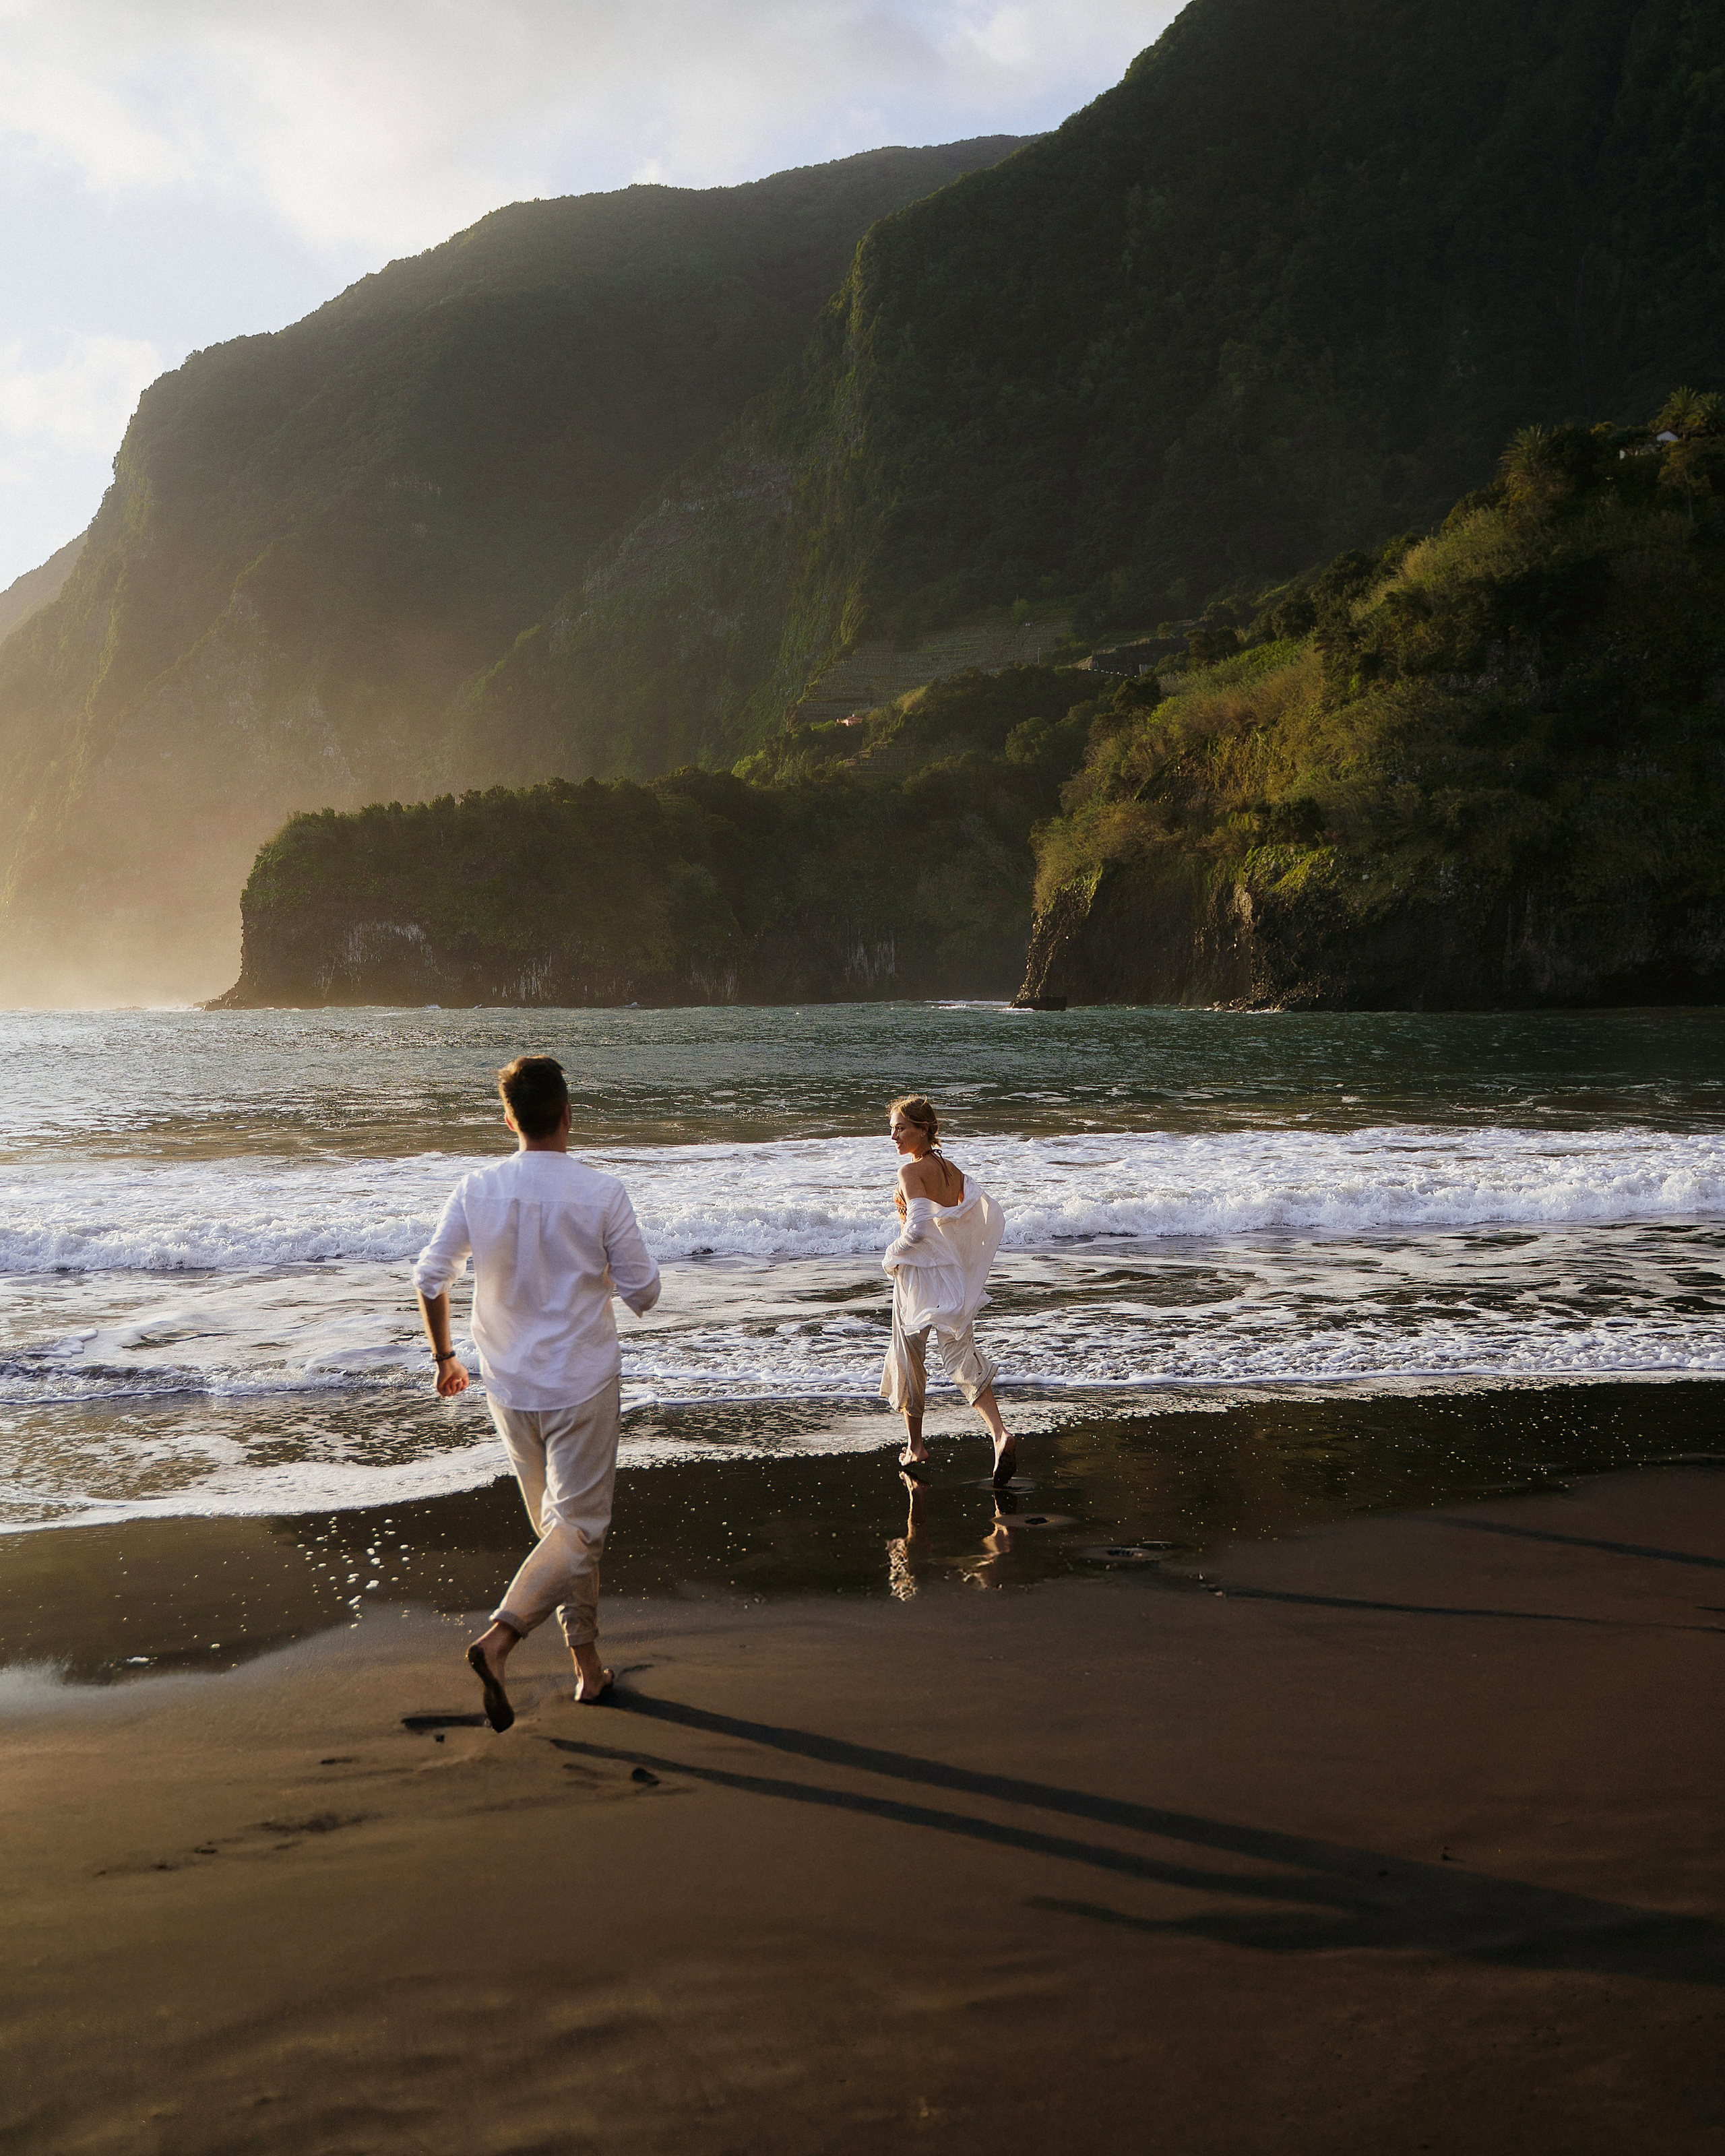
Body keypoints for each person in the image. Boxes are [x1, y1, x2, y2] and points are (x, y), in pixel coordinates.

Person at [412, 1054, 660, 1732]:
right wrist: (601, 1271)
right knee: (580, 1531)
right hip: (579, 1380)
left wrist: (444, 1357)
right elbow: (645, 1293)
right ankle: (499, 1640)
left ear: (509, 1117)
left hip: (508, 1382)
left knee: (559, 1532)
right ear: (568, 1114)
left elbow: (431, 1277)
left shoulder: (478, 1185)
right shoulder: (601, 1191)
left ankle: (587, 1667)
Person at [880, 1093, 1015, 1487]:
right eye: (891, 1129)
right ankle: (999, 1434)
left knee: (908, 1357)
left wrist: (890, 1257)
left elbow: (918, 1230)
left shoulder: (911, 1173)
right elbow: (971, 1213)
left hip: (919, 1276)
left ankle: (915, 1445)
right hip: (950, 1275)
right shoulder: (952, 1170)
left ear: (924, 1129)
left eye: (901, 1128)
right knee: (960, 1353)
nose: (894, 1136)